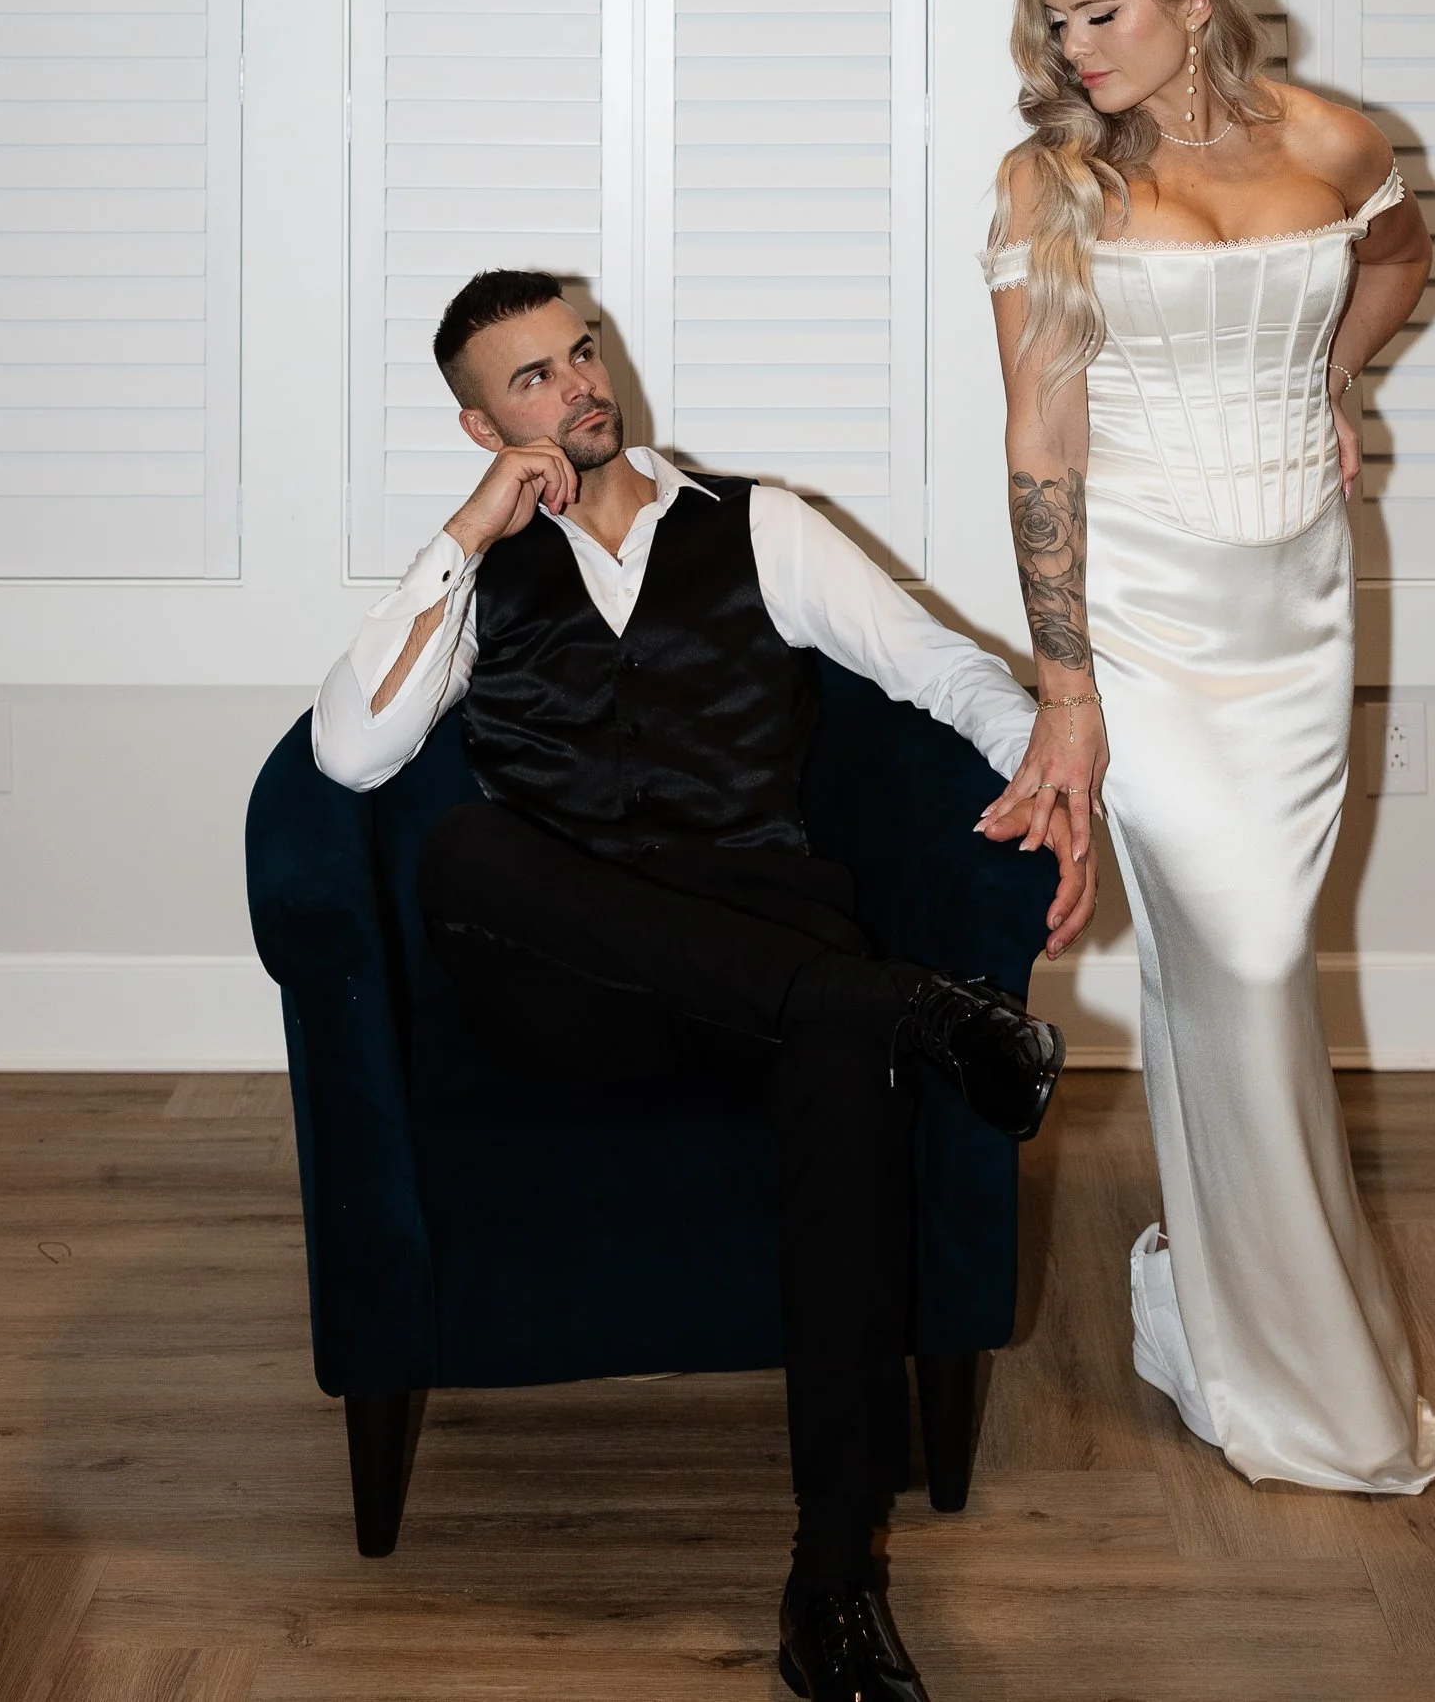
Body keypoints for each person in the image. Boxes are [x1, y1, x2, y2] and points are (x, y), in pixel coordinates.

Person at [313, 269, 1095, 1702]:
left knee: (827, 1039)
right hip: (575, 995)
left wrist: (1047, 770)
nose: (580, 387)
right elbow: (354, 756)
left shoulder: (763, 527)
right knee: (470, 850)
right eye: (533, 380)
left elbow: (939, 674)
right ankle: (904, 1009)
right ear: (482, 425)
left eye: (583, 353)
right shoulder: (479, 571)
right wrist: (471, 532)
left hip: (766, 946)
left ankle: (833, 1593)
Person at [979, 0, 1435, 1495]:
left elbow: (1396, 250)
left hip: (1299, 606)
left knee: (1235, 965)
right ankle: (1286, 1355)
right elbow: (1041, 446)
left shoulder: (1332, 140)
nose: (1076, 47)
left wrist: (1335, 373)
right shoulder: (1053, 182)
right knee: (1242, 958)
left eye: (1103, 12)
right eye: (1059, 22)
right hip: (1148, 618)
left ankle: (1206, 1296)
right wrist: (1066, 688)